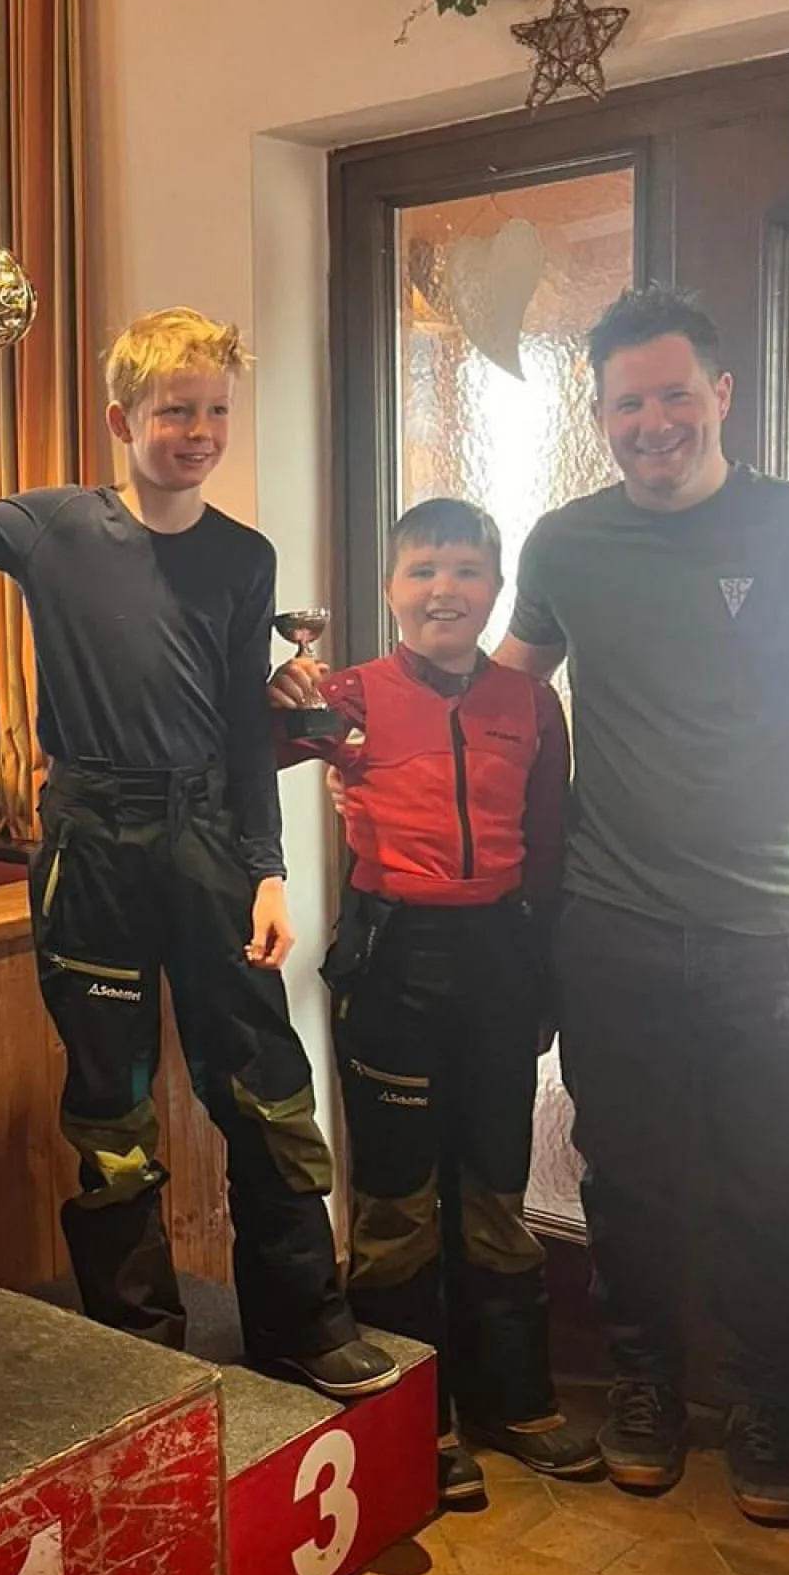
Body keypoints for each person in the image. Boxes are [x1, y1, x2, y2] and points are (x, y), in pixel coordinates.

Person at [0, 308, 396, 1397]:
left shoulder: (244, 557)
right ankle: (140, 1345)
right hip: (90, 840)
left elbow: (240, 728)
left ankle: (301, 1322)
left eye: (216, 410)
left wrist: (268, 870)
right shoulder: (53, 526)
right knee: (110, 1100)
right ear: (121, 419)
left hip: (210, 838)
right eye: (176, 410)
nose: (200, 431)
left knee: (265, 1084)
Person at [497, 285, 789, 1526]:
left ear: (722, 394)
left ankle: (766, 1407)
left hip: (777, 930)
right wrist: (362, 725)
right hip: (613, 922)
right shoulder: (564, 543)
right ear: (601, 413)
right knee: (628, 1178)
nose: (654, 421)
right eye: (628, 402)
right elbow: (501, 699)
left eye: (675, 394)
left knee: (778, 1188)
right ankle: (642, 1383)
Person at [271, 498, 597, 1506]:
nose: (443, 589)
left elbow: (549, 845)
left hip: (501, 958)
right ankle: (418, 1414)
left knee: (497, 1192)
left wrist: (548, 977)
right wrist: (278, 696)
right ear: (390, 590)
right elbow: (240, 758)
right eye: (422, 570)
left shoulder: (531, 703)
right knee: (397, 1200)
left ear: (495, 590)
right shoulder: (349, 695)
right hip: (392, 961)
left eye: (465, 570)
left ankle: (514, 1399)